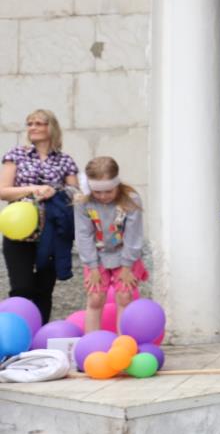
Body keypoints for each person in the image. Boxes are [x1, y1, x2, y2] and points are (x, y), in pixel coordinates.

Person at [0, 110, 79, 323]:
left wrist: (56, 191)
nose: (32, 127)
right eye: (29, 123)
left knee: (44, 290)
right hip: (19, 232)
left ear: (51, 127)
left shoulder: (65, 160)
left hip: (51, 233)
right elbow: (3, 191)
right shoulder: (16, 155)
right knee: (22, 288)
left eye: (38, 123)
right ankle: (18, 335)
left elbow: (76, 194)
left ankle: (40, 336)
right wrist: (33, 189)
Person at [73, 157, 146, 333]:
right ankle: (92, 342)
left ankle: (123, 342)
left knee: (124, 296)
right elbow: (83, 235)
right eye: (97, 192)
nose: (103, 196)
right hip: (96, 255)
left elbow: (134, 235)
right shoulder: (83, 202)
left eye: (108, 191)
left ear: (117, 185)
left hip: (124, 254)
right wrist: (93, 267)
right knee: (95, 297)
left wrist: (127, 267)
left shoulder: (131, 200)